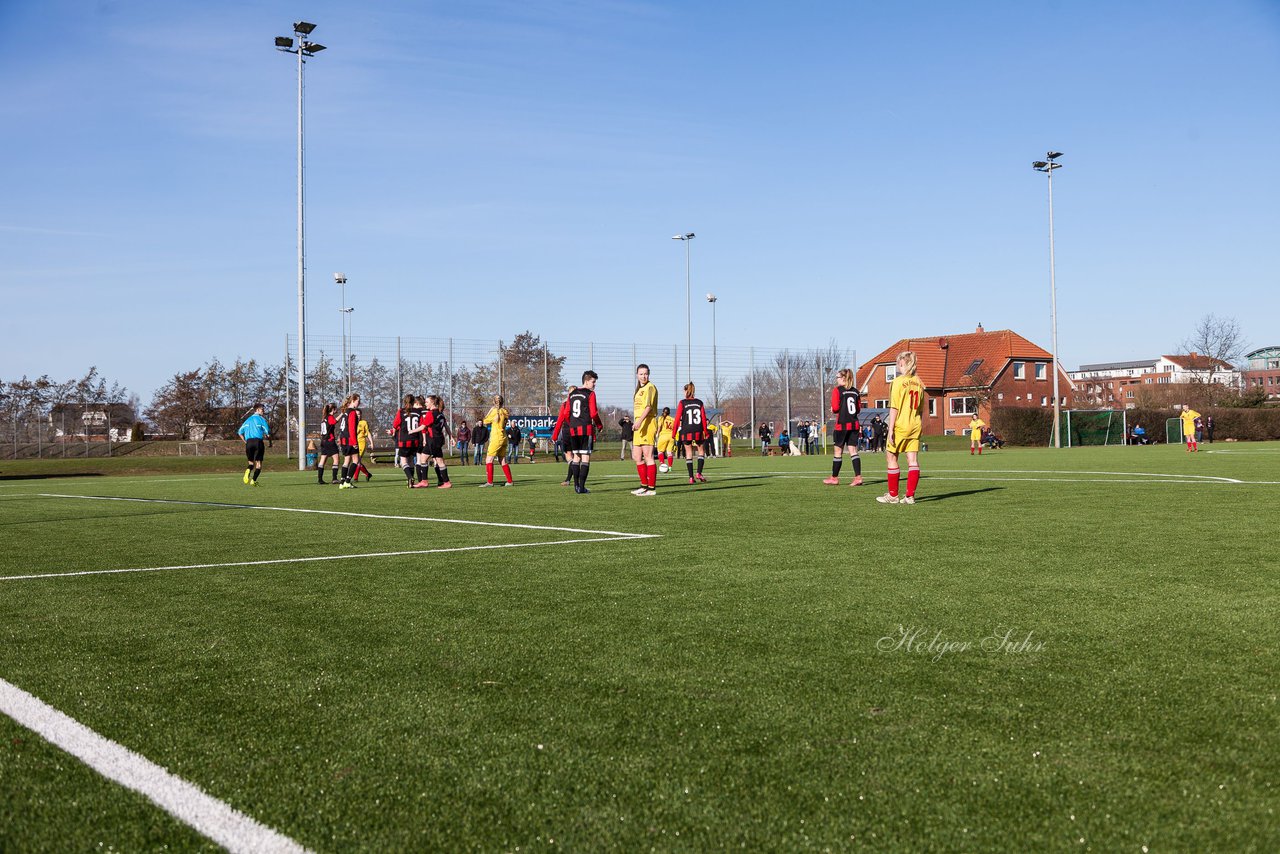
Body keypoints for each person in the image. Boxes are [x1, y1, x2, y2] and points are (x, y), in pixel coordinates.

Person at [877, 350, 926, 505]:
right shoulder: (919, 382)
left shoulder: (897, 382)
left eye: (898, 362)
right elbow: (920, 408)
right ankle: (910, 496)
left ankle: (893, 495)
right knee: (912, 460)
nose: (897, 364)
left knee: (891, 457)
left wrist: (890, 429)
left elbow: (894, 408)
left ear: (904, 363)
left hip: (901, 425)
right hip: (915, 425)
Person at [563, 371, 604, 494]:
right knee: (585, 457)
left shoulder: (572, 393)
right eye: (593, 381)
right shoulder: (590, 394)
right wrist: (599, 425)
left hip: (573, 429)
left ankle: (576, 486)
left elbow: (566, 413)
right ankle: (582, 487)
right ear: (586, 381)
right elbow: (593, 413)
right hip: (586, 428)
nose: (594, 384)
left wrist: (572, 424)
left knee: (576, 457)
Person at [824, 367, 863, 486]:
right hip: (854, 425)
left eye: (838, 377)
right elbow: (858, 409)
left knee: (838, 451)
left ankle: (834, 478)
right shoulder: (856, 391)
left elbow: (835, 408)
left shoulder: (838, 390)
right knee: (853, 451)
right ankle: (858, 477)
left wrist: (834, 409)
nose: (836, 380)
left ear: (844, 378)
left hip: (842, 425)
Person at [671, 382, 709, 484]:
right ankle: (699, 473)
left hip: (686, 430)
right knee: (701, 451)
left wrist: (674, 433)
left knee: (688, 452)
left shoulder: (682, 403)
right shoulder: (699, 403)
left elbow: (677, 419)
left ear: (685, 391)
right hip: (698, 429)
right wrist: (706, 432)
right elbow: (704, 418)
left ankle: (691, 477)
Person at [631, 364, 659, 496]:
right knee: (636, 456)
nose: (644, 376)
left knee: (648, 456)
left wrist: (639, 421)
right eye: (641, 374)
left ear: (649, 374)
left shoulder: (650, 387)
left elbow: (648, 407)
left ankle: (651, 488)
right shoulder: (639, 389)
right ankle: (643, 486)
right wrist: (636, 422)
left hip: (647, 423)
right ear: (637, 375)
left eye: (646, 373)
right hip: (639, 424)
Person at [414, 395, 452, 488]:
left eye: (427, 402)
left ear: (432, 403)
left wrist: (411, 431)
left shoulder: (431, 414)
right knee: (424, 458)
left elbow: (423, 426)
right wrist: (451, 437)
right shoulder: (440, 413)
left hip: (433, 440)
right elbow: (446, 426)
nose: (425, 403)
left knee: (439, 461)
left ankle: (446, 482)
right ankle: (425, 481)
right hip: (436, 439)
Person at [389, 393, 422, 487]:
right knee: (411, 460)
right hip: (415, 440)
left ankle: (409, 477)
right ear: (414, 402)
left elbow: (395, 424)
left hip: (404, 440)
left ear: (404, 402)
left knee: (403, 461)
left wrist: (394, 430)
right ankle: (411, 482)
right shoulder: (418, 412)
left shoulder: (401, 411)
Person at [481, 395, 514, 486]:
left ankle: (490, 482)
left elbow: (485, 421)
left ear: (493, 402)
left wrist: (491, 410)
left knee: (489, 459)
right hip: (503, 437)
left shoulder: (494, 411)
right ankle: (510, 481)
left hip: (496, 438)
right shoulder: (505, 411)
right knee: (502, 460)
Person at [237, 403, 270, 486]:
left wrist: (245, 441)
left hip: (249, 443)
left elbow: (240, 432)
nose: (263, 411)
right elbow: (267, 433)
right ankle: (253, 480)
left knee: (251, 463)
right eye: (262, 409)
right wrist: (270, 442)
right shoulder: (261, 420)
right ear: (257, 410)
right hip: (258, 442)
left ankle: (248, 471)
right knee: (258, 464)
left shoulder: (247, 420)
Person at [336, 393, 363, 489]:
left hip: (344, 439)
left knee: (346, 460)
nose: (359, 403)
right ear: (353, 401)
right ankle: (347, 481)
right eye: (358, 401)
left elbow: (342, 428)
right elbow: (351, 428)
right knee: (356, 460)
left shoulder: (345, 412)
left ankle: (342, 482)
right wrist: (355, 442)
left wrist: (340, 438)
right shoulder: (352, 412)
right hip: (350, 440)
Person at [552, 385, 576, 485]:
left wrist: (554, 436)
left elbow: (560, 420)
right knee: (577, 456)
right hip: (578, 430)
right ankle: (569, 479)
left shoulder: (565, 404)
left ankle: (570, 479)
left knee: (569, 455)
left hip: (567, 430)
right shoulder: (583, 404)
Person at [316, 402, 341, 484]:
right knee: (336, 459)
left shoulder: (324, 418)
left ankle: (320, 479)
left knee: (323, 459)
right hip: (329, 441)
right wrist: (342, 414)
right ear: (333, 409)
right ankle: (334, 478)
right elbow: (334, 422)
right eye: (336, 408)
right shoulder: (330, 417)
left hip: (323, 441)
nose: (337, 410)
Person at [354, 415, 374, 481]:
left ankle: (355, 478)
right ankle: (368, 474)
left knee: (357, 460)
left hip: (361, 442)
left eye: (359, 414)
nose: (357, 416)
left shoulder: (363, 422)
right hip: (354, 443)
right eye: (356, 414)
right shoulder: (352, 422)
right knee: (356, 461)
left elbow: (368, 433)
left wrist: (371, 442)